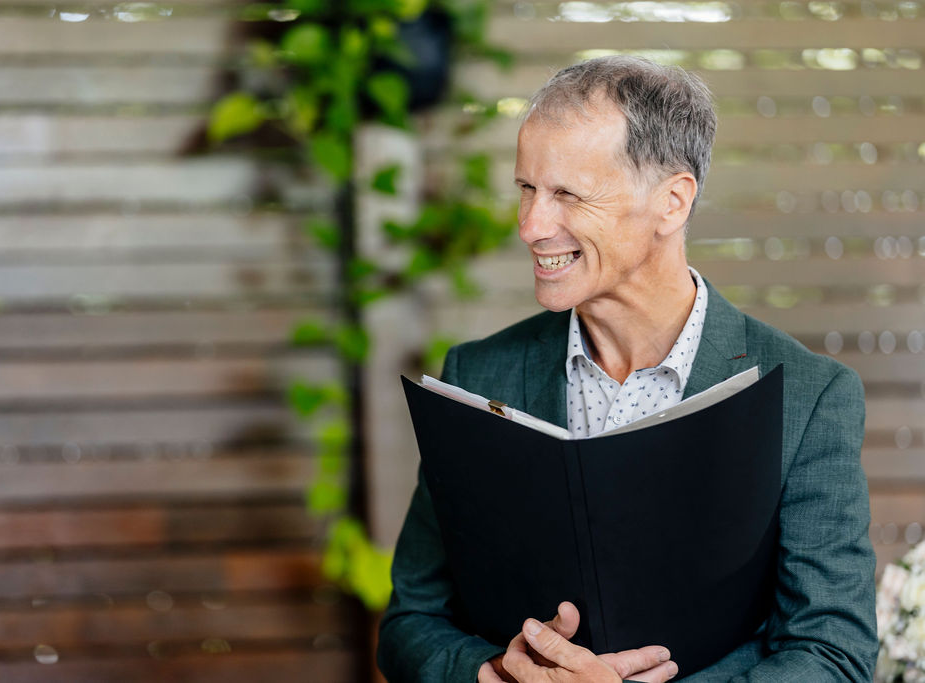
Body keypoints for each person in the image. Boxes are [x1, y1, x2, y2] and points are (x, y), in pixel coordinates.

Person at [376, 56, 877, 682]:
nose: (531, 226)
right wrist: (492, 675)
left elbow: (835, 656)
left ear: (672, 201)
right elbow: (409, 624)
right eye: (527, 189)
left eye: (568, 194)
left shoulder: (811, 396)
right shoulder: (478, 374)